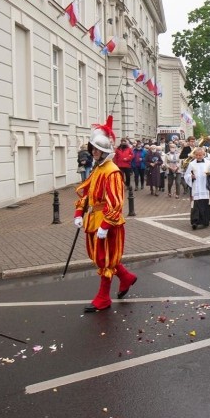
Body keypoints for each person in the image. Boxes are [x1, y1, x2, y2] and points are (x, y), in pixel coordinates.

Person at [74, 117, 137, 312]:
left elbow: (116, 202)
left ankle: (103, 298)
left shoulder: (112, 172)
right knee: (100, 257)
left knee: (106, 260)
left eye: (96, 149)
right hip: (94, 220)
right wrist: (79, 212)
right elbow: (88, 194)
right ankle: (126, 277)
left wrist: (106, 224)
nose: (93, 152)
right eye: (92, 149)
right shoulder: (97, 169)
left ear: (104, 152)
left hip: (107, 223)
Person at [184, 147, 210, 229]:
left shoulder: (208, 163)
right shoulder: (192, 164)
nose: (198, 157)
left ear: (203, 155)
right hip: (196, 187)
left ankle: (205, 220)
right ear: (194, 155)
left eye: (200, 155)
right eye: (197, 155)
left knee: (206, 203)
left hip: (205, 186)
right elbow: (186, 175)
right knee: (195, 204)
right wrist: (191, 176)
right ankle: (195, 221)